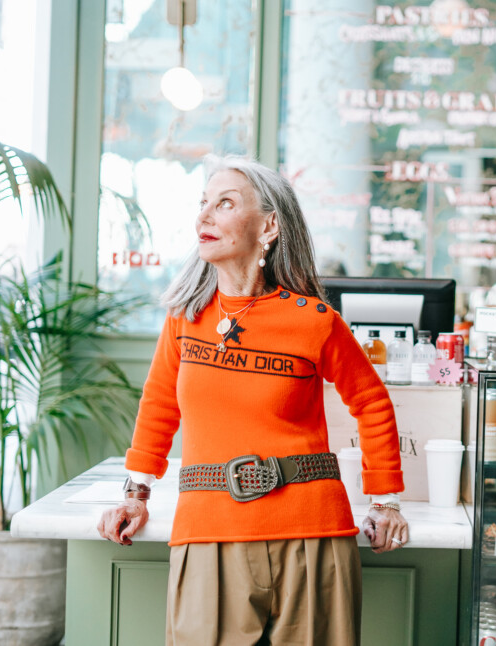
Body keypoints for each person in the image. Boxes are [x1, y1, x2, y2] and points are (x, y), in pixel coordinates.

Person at [97, 155, 408, 645]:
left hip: (313, 533)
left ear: (268, 226)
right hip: (208, 530)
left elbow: (371, 402)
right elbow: (159, 405)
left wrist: (385, 500)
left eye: (224, 204)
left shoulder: (314, 321)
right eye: (203, 204)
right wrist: (136, 496)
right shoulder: (184, 318)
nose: (204, 217)